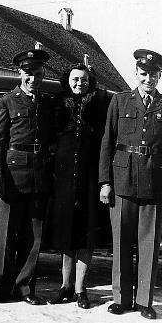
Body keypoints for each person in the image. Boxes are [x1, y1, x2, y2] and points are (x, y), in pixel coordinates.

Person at [99, 49, 162, 319]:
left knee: (149, 245)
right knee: (121, 243)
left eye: (154, 75)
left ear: (159, 77)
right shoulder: (120, 101)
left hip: (154, 183)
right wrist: (105, 182)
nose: (149, 79)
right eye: (144, 74)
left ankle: (145, 300)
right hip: (122, 180)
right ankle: (121, 299)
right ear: (136, 74)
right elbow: (107, 144)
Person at [0, 48, 53, 304]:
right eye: (28, 74)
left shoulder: (46, 103)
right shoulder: (6, 102)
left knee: (33, 237)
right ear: (20, 73)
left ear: (43, 74)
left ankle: (23, 287)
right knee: (5, 236)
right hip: (11, 178)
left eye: (37, 74)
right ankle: (2, 288)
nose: (32, 79)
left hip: (38, 177)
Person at [48, 63, 110, 309]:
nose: (79, 84)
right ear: (68, 80)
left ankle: (80, 289)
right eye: (75, 79)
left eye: (84, 80)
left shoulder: (99, 104)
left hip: (89, 179)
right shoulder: (58, 102)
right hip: (63, 181)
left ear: (90, 82)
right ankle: (64, 286)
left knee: (85, 236)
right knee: (66, 235)